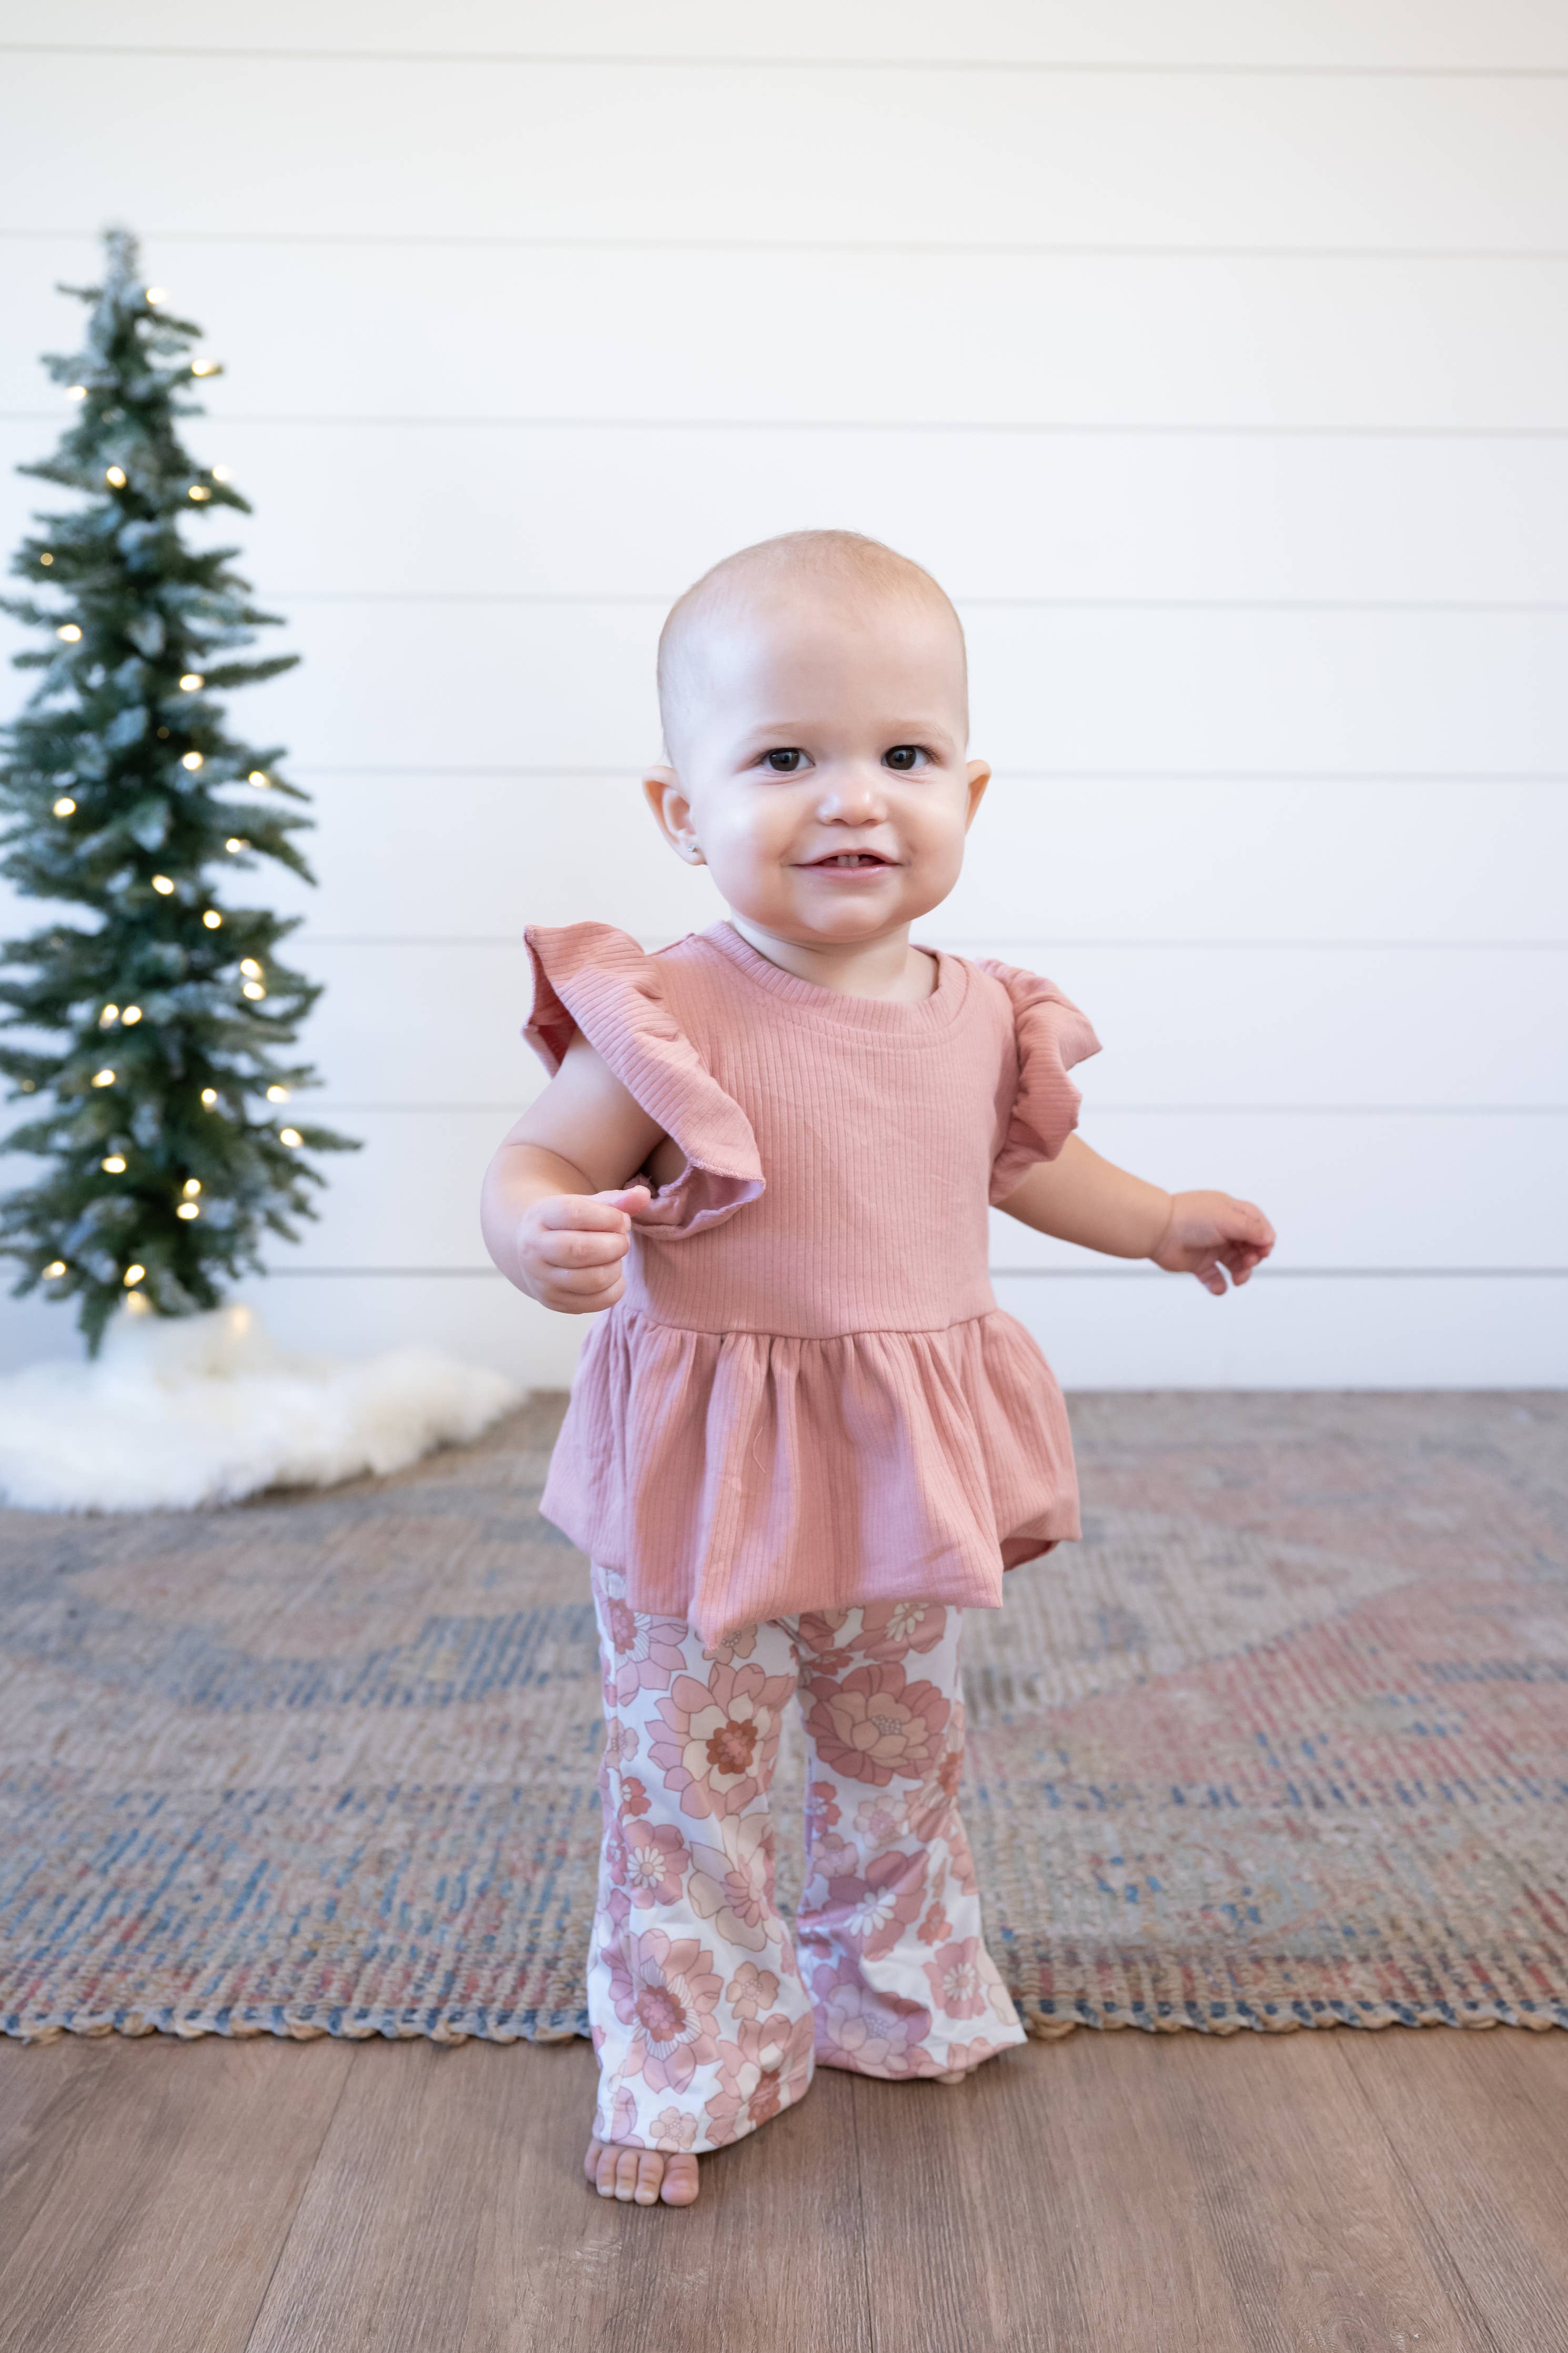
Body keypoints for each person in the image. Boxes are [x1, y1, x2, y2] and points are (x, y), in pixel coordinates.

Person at [481, 530, 1274, 2208]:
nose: (854, 798)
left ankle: (890, 1988)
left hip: (899, 1459)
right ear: (681, 811)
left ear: (969, 794)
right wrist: (537, 1230)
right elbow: (538, 1160)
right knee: (691, 1771)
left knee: (898, 1744)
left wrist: (1156, 1221)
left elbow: (1026, 1167)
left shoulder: (982, 1010)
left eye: (904, 755)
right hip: (711, 1472)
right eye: (784, 758)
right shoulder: (673, 1010)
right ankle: (690, 2052)